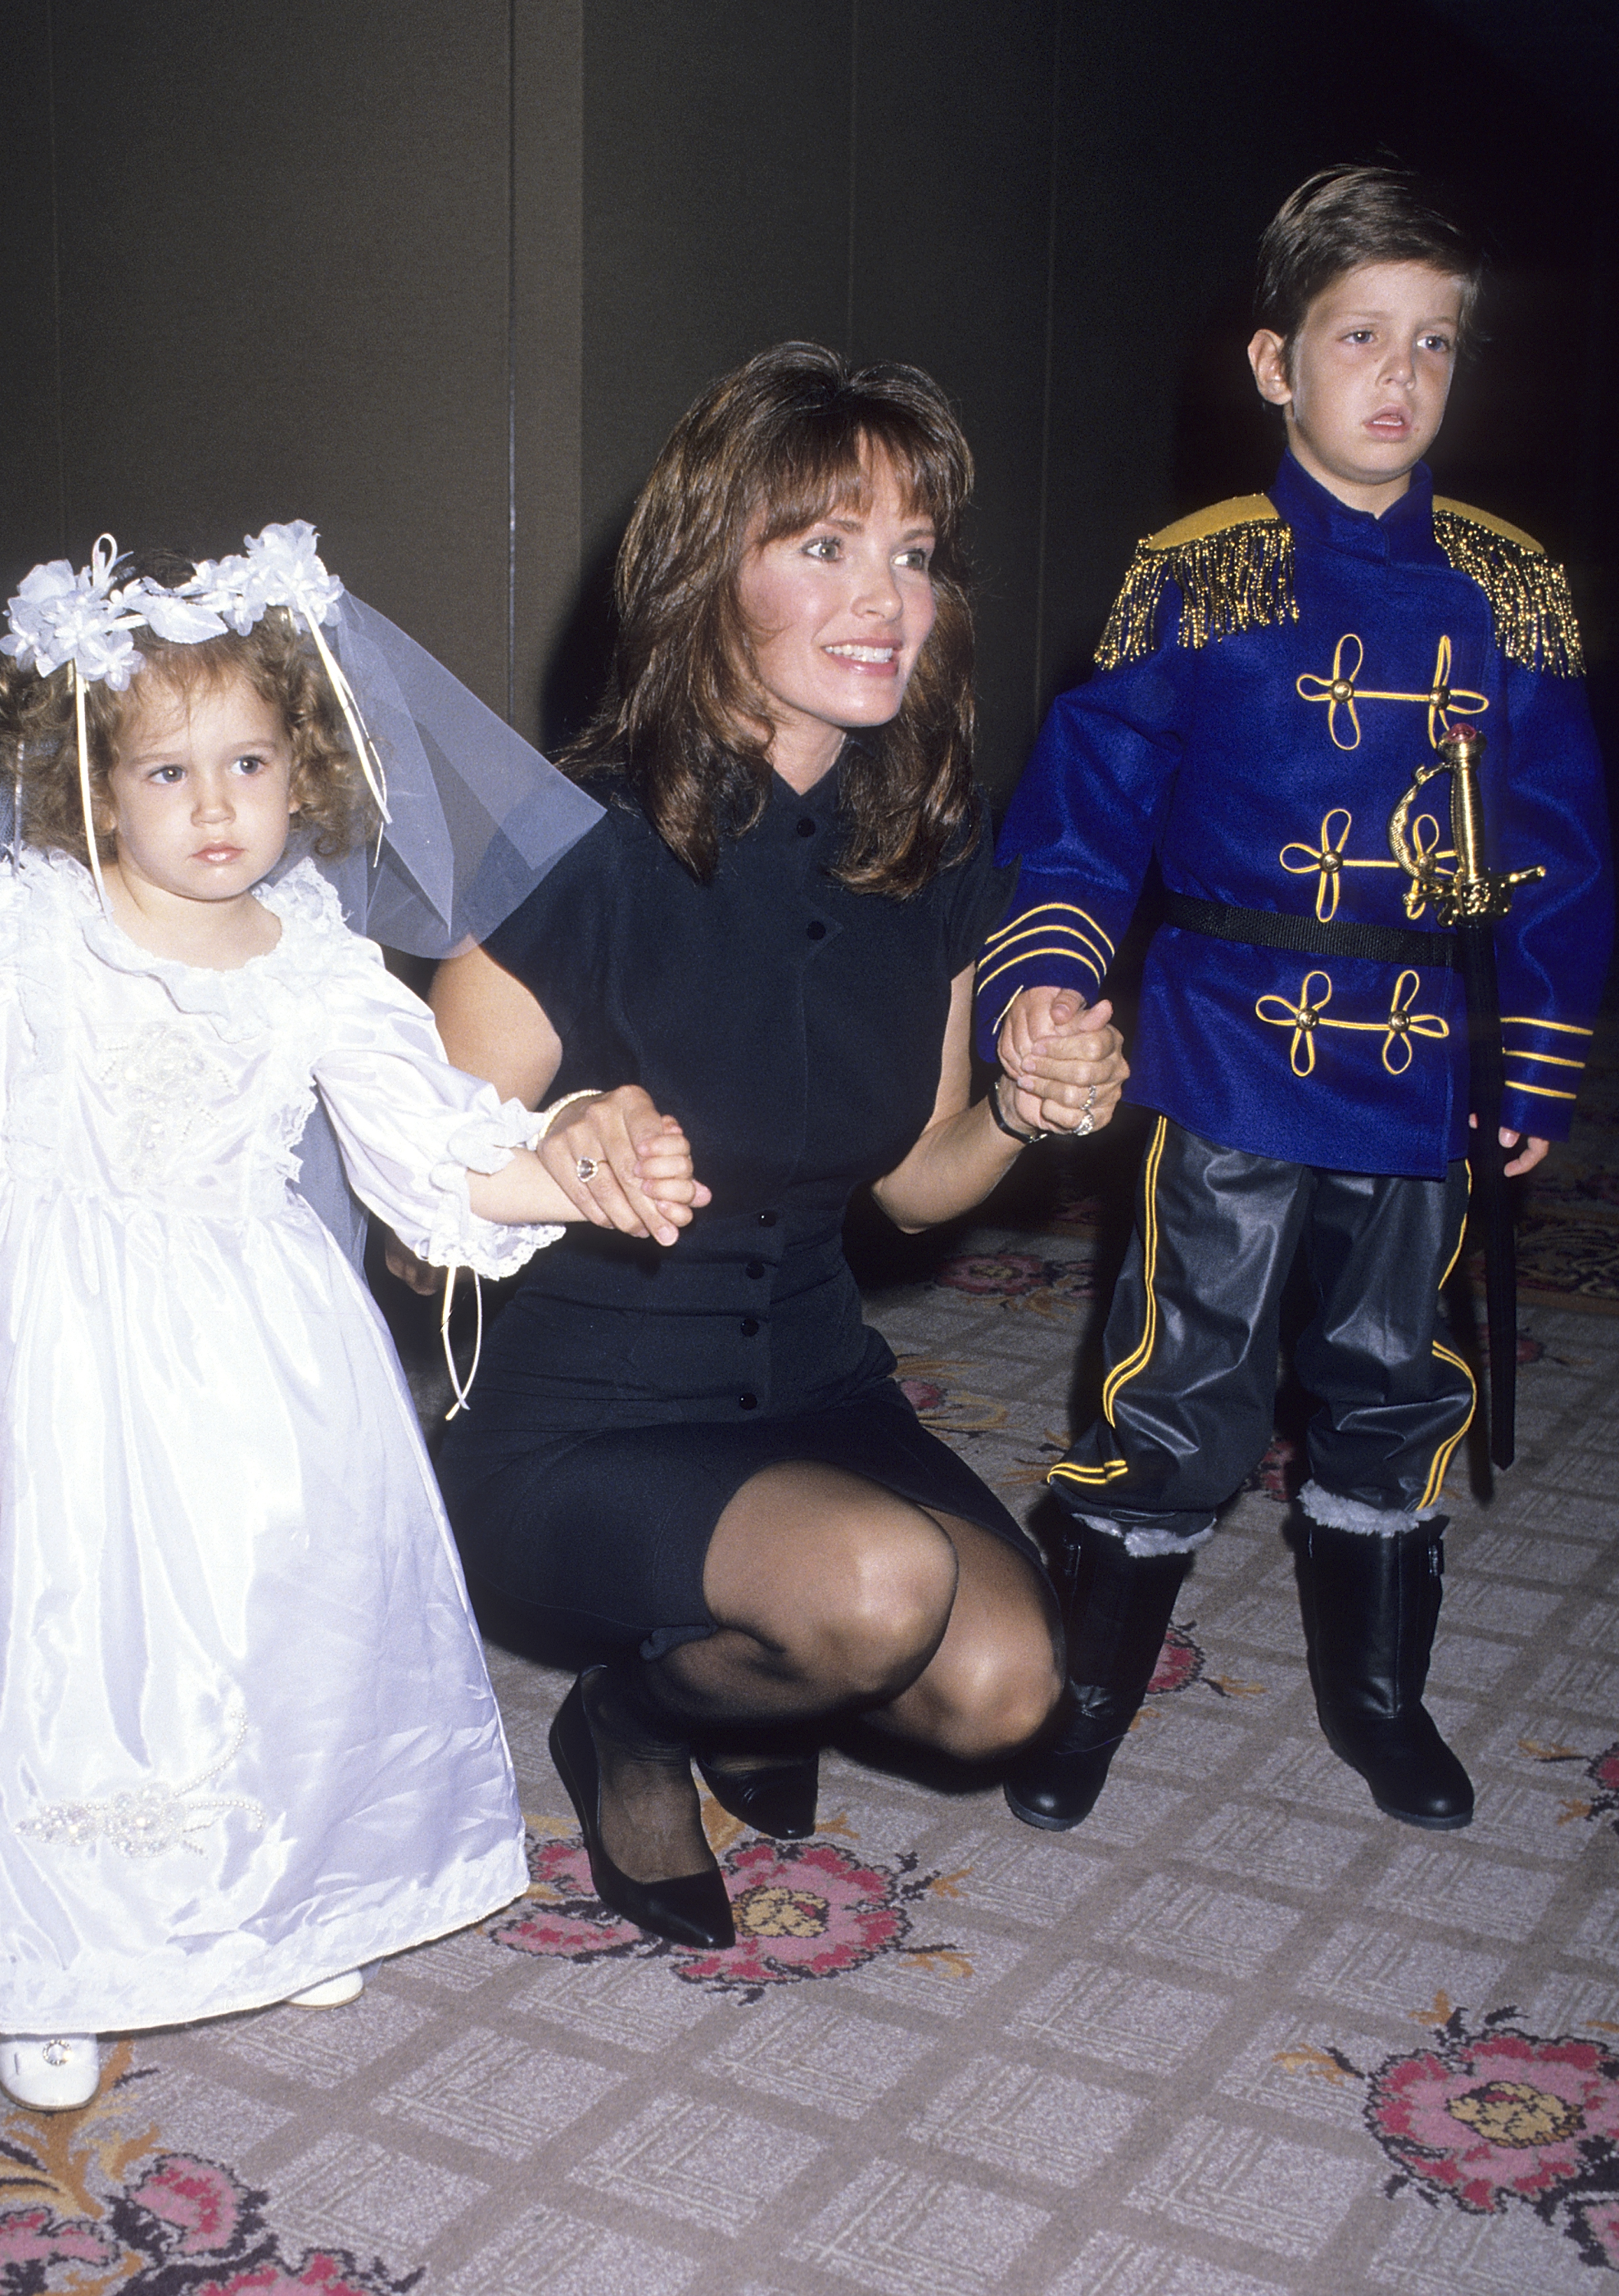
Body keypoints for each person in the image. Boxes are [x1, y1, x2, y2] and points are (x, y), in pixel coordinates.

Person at [0, 527, 704, 2112]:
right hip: (61, 1345)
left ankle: (291, 1886)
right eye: (166, 770)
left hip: (260, 1343)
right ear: (91, 786)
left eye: (248, 761)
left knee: (280, 1606)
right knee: (78, 1632)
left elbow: (437, 1149)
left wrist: (570, 1171)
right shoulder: (22, 934)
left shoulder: (316, 963)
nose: (212, 806)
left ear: (303, 766)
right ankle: (63, 1949)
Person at [415, 344, 1129, 1952]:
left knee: (1010, 1686)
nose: (884, 597)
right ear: (705, 570)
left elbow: (913, 1181)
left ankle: (727, 1669)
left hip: (810, 1379)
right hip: (583, 1418)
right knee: (873, 1590)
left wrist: (1021, 1107)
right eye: (822, 546)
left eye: (912, 554)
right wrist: (551, 1142)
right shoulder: (572, 848)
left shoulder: (919, 839)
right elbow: (410, 1199)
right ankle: (636, 1722)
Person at [979, 166, 1611, 1837]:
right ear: (1275, 364)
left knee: (1392, 1372)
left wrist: (1531, 1062)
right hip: (1225, 1050)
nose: (1396, 379)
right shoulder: (1196, 575)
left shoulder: (1503, 590)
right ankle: (1083, 1692)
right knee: (1178, 1376)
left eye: (1432, 345)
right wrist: (1049, 984)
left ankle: (1378, 1697)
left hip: (1416, 1075)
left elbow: (1555, 849)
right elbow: (1077, 822)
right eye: (1357, 339)